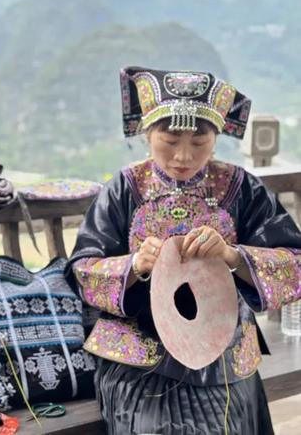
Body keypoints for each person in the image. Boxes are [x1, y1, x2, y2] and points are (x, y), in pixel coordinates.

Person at [67, 67, 301, 434]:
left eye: (199, 142)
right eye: (170, 139)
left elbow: (294, 265)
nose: (183, 156)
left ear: (216, 138)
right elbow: (83, 270)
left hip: (225, 355)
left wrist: (232, 255)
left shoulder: (242, 188)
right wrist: (135, 265)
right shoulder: (124, 189)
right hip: (140, 358)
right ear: (148, 134)